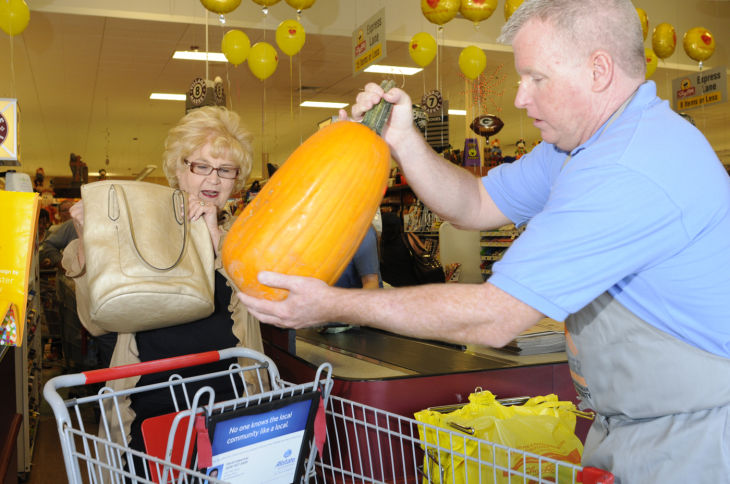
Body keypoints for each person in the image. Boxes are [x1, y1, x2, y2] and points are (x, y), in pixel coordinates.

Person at [236, 0, 730, 481]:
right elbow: (475, 201)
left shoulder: (627, 166)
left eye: (536, 78)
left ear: (598, 71)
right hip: (633, 424)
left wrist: (332, 305)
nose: (520, 97)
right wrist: (404, 140)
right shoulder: (578, 148)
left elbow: (497, 316)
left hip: (692, 437)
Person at [62, 106, 268, 470]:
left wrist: (218, 242)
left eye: (225, 170)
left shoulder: (247, 239)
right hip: (153, 411)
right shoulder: (141, 236)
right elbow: (96, 323)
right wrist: (89, 239)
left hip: (231, 406)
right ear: (177, 169)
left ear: (236, 179)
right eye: (201, 166)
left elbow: (267, 301)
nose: (214, 179)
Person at [321, 224, 382, 333]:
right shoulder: (316, 230)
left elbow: (371, 283)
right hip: (328, 320)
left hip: (358, 325)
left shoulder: (361, 231)